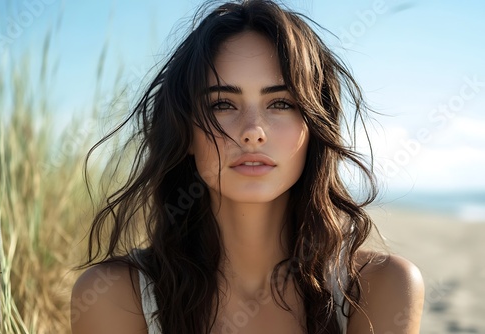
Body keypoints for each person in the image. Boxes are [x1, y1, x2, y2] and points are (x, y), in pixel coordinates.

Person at [71, 1, 425, 333]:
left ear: (315, 127)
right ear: (186, 131)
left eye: (281, 103)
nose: (253, 131)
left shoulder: (380, 287)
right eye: (223, 103)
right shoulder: (117, 297)